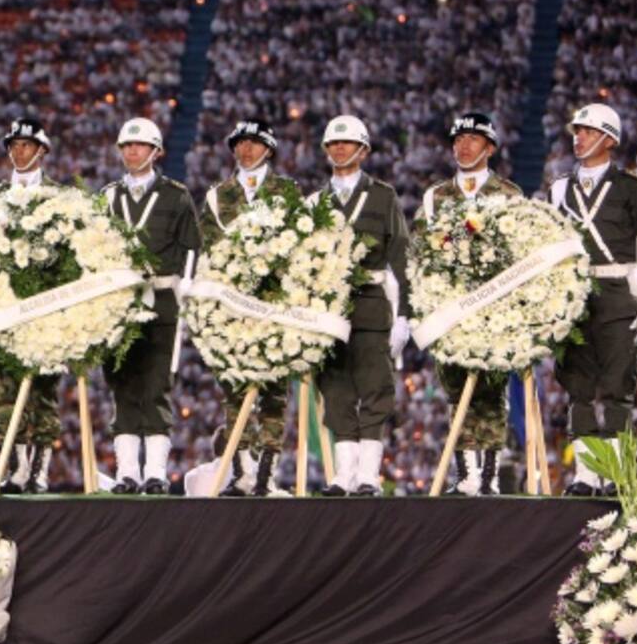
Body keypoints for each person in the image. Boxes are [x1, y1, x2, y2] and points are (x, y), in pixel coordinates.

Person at [550, 103, 637, 497]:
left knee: (615, 389)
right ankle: (584, 475)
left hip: (619, 296)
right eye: (576, 130)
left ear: (609, 140)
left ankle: (614, 475)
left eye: (588, 131)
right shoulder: (559, 188)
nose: (578, 137)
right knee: (578, 389)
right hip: (575, 298)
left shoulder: (631, 189)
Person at [415, 111, 523, 496]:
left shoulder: (509, 195)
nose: (463, 145)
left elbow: (520, 250)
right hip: (449, 307)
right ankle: (466, 474)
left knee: (492, 392)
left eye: (473, 139)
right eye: (458, 139)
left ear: (490, 147)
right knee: (456, 390)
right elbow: (421, 250)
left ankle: (490, 474)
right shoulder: (435, 197)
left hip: (494, 307)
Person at [310, 116, 411, 497]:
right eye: (332, 143)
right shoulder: (315, 202)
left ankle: (368, 474)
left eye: (346, 143)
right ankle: (342, 474)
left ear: (363, 150)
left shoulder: (383, 196)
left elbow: (402, 256)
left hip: (371, 304)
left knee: (375, 390)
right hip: (330, 310)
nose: (338, 148)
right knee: (335, 391)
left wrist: (406, 314)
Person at [102, 117, 200, 494]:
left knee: (157, 385)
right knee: (123, 386)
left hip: (162, 299)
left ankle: (155, 472)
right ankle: (127, 471)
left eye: (140, 146)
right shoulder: (108, 196)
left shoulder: (176, 195)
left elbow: (192, 247)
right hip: (120, 303)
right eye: (127, 146)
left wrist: (186, 290)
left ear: (156, 151)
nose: (132, 152)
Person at [198, 119, 293, 497]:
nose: (247, 150)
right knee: (234, 392)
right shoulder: (217, 196)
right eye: (240, 143)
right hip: (231, 307)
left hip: (274, 307)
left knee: (273, 392)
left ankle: (267, 473)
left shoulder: (287, 193)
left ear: (268, 148)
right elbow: (209, 249)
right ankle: (242, 471)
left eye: (254, 143)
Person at [0, 118, 62, 494]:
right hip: (2, 305)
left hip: (44, 304)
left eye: (27, 145)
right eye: (14, 145)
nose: (19, 151)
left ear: (42, 150)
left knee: (43, 391)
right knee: (1, 386)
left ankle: (40, 470)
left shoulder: (61, 197)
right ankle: (17, 466)